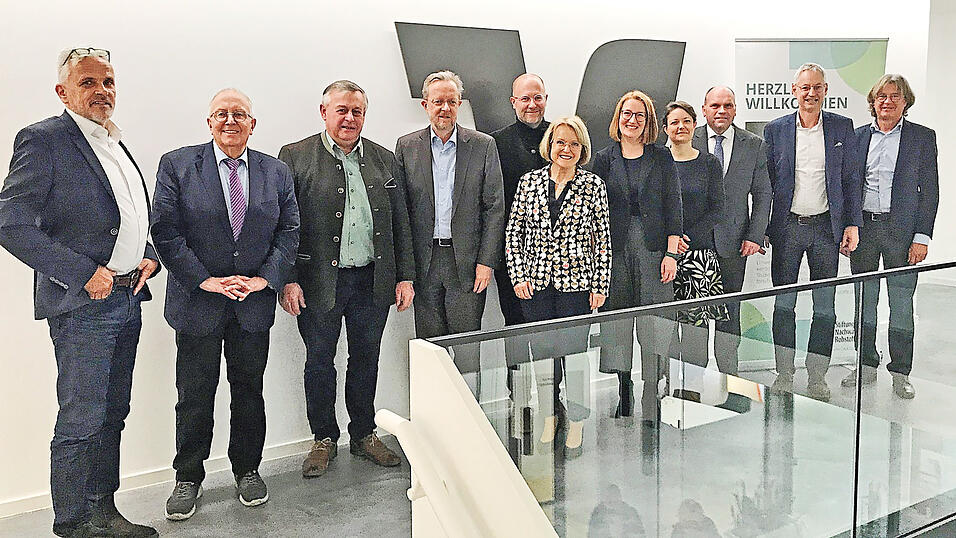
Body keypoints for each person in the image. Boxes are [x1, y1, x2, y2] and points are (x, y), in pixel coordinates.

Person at [0, 47, 160, 538]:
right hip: (85, 304)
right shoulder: (45, 140)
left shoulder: (112, 140)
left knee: (114, 411)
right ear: (63, 92)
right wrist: (82, 272)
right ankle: (72, 523)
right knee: (82, 416)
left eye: (108, 81)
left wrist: (147, 250)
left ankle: (103, 511)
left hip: (128, 296)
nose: (101, 91)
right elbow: (11, 223)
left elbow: (125, 211)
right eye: (88, 83)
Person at [152, 88, 299, 520]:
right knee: (194, 394)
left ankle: (248, 470)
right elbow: (165, 231)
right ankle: (188, 478)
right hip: (198, 303)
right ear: (209, 121)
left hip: (251, 305)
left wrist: (263, 280)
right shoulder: (177, 165)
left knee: (249, 392)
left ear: (253, 123)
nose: (230, 121)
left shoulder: (276, 171)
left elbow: (289, 230)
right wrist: (206, 281)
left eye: (240, 114)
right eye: (222, 114)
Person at [277, 80, 414, 477]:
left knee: (366, 359)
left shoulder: (385, 159)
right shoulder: (295, 156)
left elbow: (400, 222)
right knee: (320, 361)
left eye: (357, 111)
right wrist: (288, 279)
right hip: (318, 282)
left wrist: (404, 276)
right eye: (342, 110)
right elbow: (282, 223)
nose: (350, 118)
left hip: (372, 281)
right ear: (324, 112)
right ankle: (323, 438)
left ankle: (364, 432)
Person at [505, 115, 609, 457]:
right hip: (535, 285)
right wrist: (519, 276)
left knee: (574, 355)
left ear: (582, 149)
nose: (566, 149)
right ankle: (549, 413)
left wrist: (600, 284)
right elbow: (514, 234)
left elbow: (602, 241)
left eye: (574, 144)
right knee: (542, 357)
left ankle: (576, 420)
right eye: (560, 142)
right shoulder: (529, 182)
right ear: (549, 145)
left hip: (577, 284)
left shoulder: (593, 186)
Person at [394, 70, 505, 372]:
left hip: (467, 264)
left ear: (460, 104)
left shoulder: (482, 146)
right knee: (430, 354)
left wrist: (486, 261)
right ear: (425, 105)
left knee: (468, 351)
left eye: (451, 102)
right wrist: (404, 270)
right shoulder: (406, 147)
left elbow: (495, 207)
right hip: (425, 263)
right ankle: (436, 419)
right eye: (438, 101)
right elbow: (401, 211)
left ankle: (467, 417)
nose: (445, 108)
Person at [764, 63, 862, 402]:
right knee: (784, 305)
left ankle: (818, 375)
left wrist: (851, 224)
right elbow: (768, 184)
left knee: (825, 307)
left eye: (817, 87)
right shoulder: (775, 130)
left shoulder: (841, 127)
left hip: (825, 228)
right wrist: (764, 226)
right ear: (794, 91)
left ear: (825, 90)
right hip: (788, 227)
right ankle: (784, 373)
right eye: (805, 87)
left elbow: (851, 181)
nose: (811, 93)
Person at [842, 74, 938, 399]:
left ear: (905, 102)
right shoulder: (855, 138)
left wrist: (922, 237)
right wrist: (848, 227)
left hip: (903, 233)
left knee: (900, 305)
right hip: (864, 231)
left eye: (895, 96)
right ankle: (865, 365)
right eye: (881, 96)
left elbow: (930, 192)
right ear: (873, 102)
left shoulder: (922, 138)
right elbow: (848, 187)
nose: (887, 102)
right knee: (864, 303)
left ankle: (901, 374)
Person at [591, 90, 683, 425]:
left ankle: (650, 389)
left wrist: (672, 253)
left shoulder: (662, 158)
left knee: (655, 324)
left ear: (648, 121)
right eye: (627, 114)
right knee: (616, 323)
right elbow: (593, 211)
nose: (632, 120)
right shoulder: (603, 158)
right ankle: (624, 387)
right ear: (619, 118)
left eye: (640, 115)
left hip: (654, 249)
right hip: (614, 251)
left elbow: (675, 207)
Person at [693, 86, 772, 376]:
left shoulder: (753, 144)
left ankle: (730, 376)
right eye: (715, 105)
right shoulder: (688, 138)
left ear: (736, 109)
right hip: (694, 244)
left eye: (728, 105)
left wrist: (754, 235)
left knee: (730, 313)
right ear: (704, 109)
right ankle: (693, 381)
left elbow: (763, 194)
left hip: (735, 243)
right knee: (695, 318)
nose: (721, 111)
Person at [663, 101, 727, 397]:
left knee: (695, 330)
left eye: (686, 121)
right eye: (674, 122)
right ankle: (667, 384)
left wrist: (684, 237)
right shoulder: (658, 161)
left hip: (698, 256)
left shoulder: (709, 163)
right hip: (663, 257)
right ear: (665, 128)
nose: (680, 127)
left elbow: (718, 209)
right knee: (664, 328)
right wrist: (671, 241)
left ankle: (693, 390)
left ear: (694, 125)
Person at [491, 73, 550, 357]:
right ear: (513, 102)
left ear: (546, 100)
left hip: (556, 255)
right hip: (512, 255)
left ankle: (554, 395)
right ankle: (518, 397)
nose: (532, 104)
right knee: (514, 326)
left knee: (552, 330)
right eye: (525, 98)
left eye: (537, 97)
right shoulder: (496, 143)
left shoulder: (560, 137)